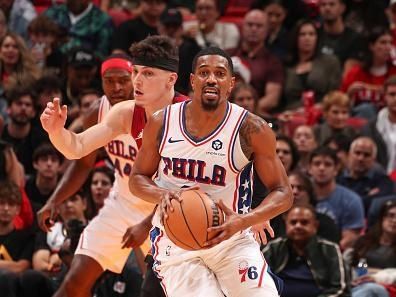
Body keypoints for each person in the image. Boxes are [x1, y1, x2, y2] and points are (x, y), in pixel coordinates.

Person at [128, 46, 293, 297]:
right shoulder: (162, 122)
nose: (212, 79)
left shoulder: (251, 128)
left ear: (231, 83)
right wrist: (161, 195)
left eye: (220, 73)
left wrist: (248, 218)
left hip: (231, 238)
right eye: (204, 73)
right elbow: (137, 178)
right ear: (193, 81)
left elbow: (283, 192)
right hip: (177, 243)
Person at [39, 36, 188, 297]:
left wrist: (148, 223)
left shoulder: (189, 118)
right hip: (123, 205)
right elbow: (77, 149)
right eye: (137, 73)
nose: (137, 81)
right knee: (74, 282)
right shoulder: (125, 112)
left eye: (148, 74)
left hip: (172, 213)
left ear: (171, 79)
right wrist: (56, 132)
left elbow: (191, 188)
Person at [263, 205, 349, 297]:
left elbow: (340, 288)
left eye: (304, 222)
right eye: (293, 222)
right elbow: (259, 280)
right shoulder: (274, 248)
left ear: (315, 226)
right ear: (286, 225)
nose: (298, 226)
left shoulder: (329, 249)